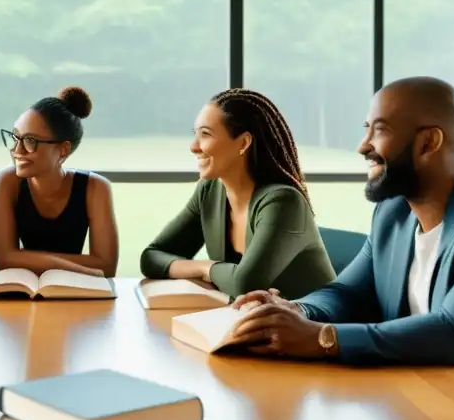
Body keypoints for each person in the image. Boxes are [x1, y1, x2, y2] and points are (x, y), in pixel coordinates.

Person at [227, 77, 454, 420]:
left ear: (428, 143)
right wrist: (296, 311)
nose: (363, 146)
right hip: (435, 404)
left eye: (379, 130)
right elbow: (348, 293)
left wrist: (321, 338)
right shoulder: (394, 211)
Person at [140, 89, 335, 299]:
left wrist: (208, 270)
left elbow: (246, 284)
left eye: (205, 134)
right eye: (195, 134)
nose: (193, 147)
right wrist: (206, 267)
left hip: (315, 327)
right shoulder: (210, 190)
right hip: (255, 322)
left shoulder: (283, 202)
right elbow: (151, 258)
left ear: (243, 143)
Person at [0, 86, 118, 277]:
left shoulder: (96, 188)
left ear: (63, 150)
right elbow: (3, 260)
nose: (17, 150)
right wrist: (80, 265)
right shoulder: (7, 182)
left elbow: (106, 267)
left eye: (30, 140)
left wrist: (23, 258)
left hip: (77, 295)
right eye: (15, 137)